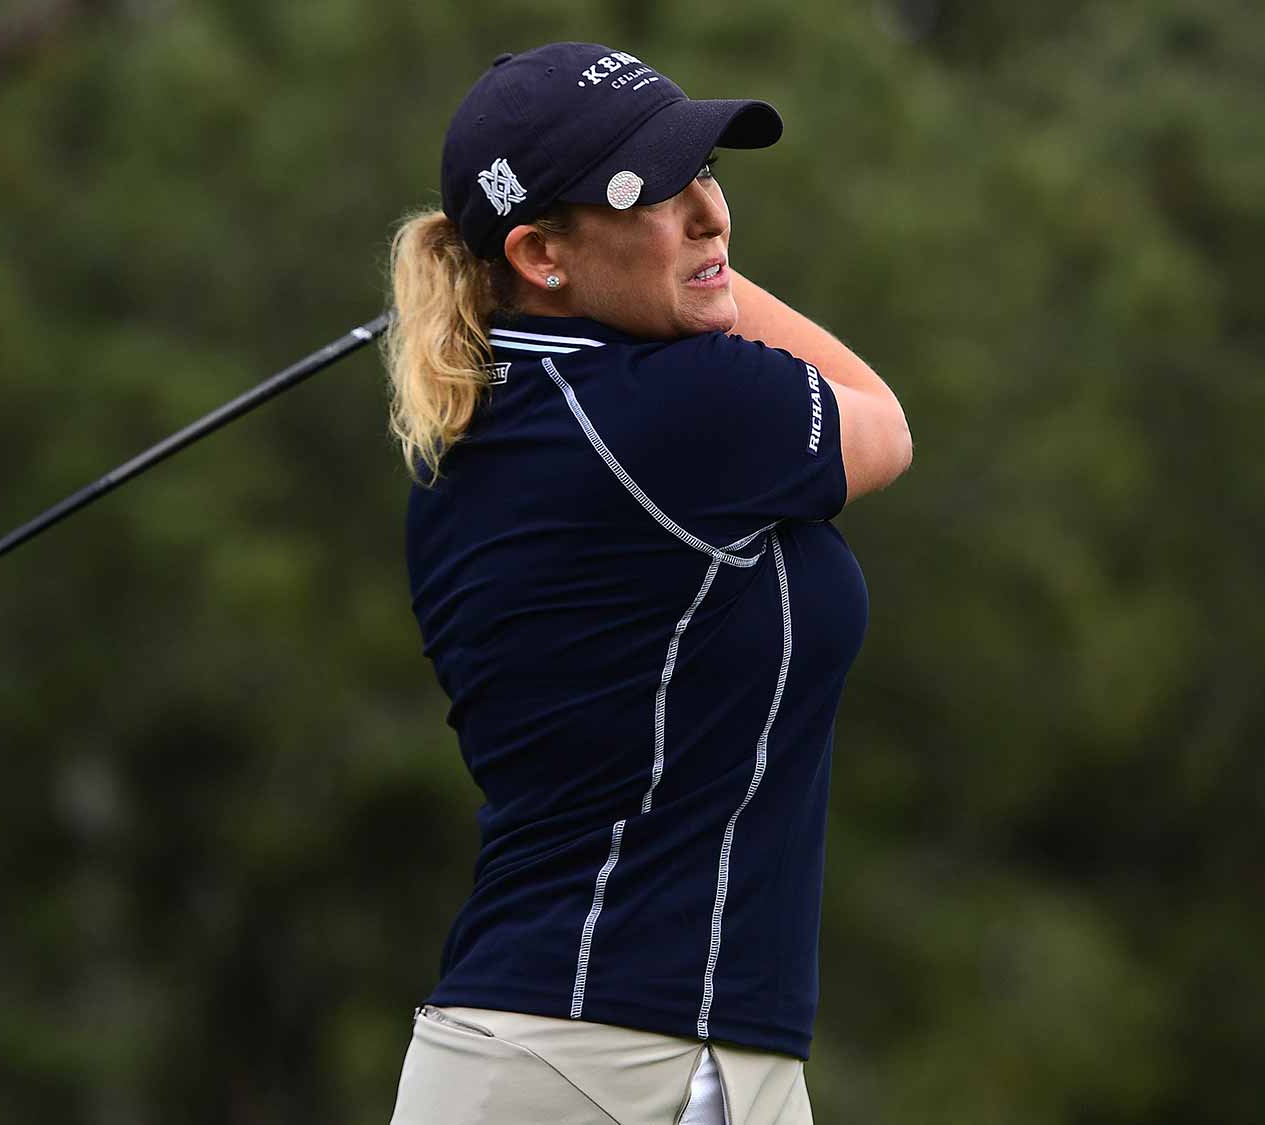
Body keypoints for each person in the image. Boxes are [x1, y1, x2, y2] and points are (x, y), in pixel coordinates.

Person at [382, 43, 913, 1124]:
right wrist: (705, 280)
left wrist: (674, 259)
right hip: (614, 1063)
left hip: (593, 1048)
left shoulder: (489, 427)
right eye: (652, 195)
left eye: (703, 176)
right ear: (538, 253)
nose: (709, 214)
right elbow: (880, 422)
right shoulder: (675, 407)